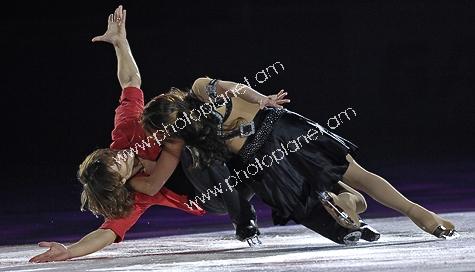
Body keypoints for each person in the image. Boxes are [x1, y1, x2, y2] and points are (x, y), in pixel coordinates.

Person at [29, 5, 257, 263]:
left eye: (110, 156)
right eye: (117, 166)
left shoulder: (126, 132)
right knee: (189, 145)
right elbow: (107, 232)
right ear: (121, 182)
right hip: (214, 196)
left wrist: (120, 43)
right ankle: (243, 214)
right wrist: (69, 251)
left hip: (218, 154)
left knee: (198, 107)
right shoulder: (135, 196)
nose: (120, 156)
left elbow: (130, 82)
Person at [141, 76, 458, 242]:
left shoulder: (186, 139)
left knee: (327, 199)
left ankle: (342, 202)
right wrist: (261, 99)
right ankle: (420, 213)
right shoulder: (199, 89)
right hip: (283, 125)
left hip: (266, 156)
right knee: (358, 175)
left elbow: (187, 174)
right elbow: (237, 87)